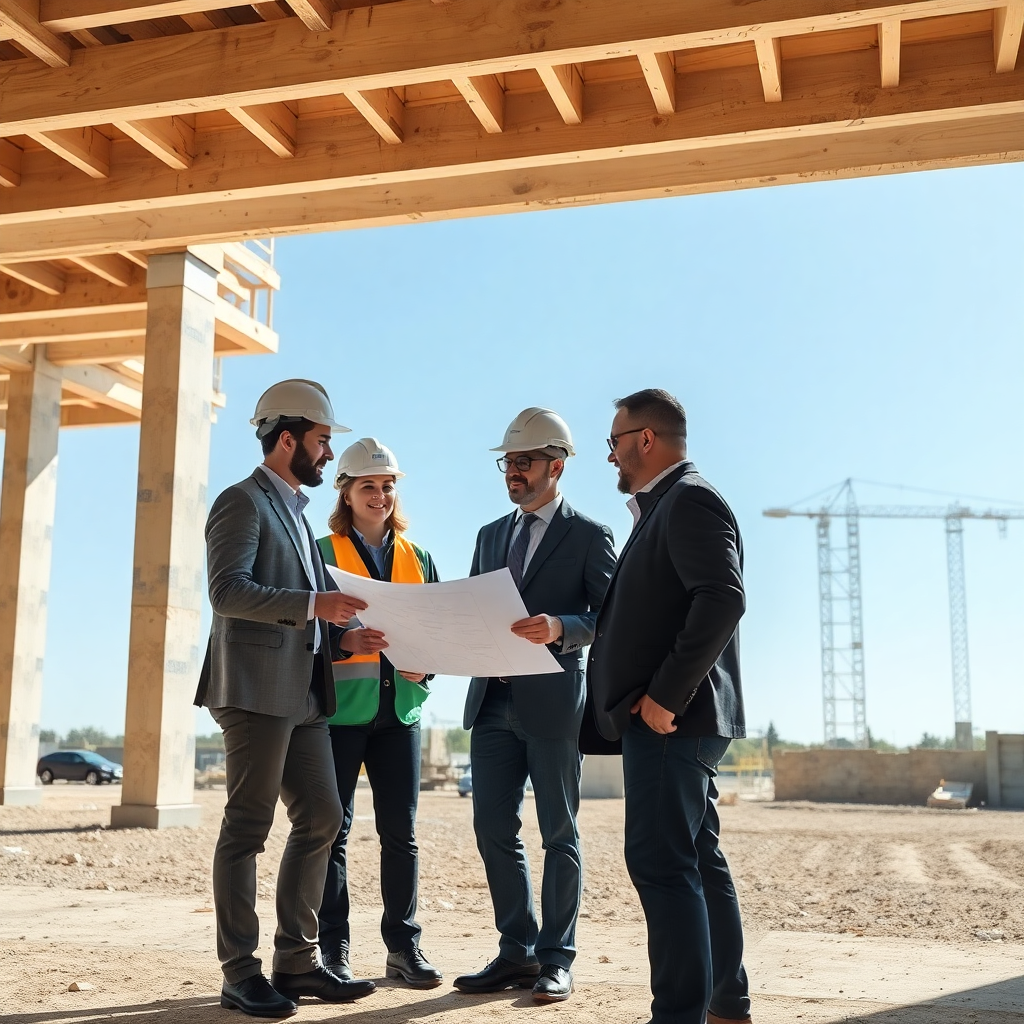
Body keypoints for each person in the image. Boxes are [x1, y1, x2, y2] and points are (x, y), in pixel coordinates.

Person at [195, 379, 378, 1017]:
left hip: (303, 695)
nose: (328, 453)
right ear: (288, 439)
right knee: (247, 827)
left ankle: (297, 963)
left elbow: (306, 614)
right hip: (254, 691)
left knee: (324, 815)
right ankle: (239, 972)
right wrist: (315, 604)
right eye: (323, 440)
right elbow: (227, 592)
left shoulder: (297, 511)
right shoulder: (241, 502)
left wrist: (344, 637)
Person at [587, 389, 750, 1024]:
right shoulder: (667, 505)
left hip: (671, 721)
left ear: (646, 439)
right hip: (681, 720)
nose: (611, 455)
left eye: (614, 442)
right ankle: (726, 1004)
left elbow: (722, 599)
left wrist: (663, 696)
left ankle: (679, 1014)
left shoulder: (688, 500)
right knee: (698, 860)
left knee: (662, 864)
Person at [454, 408, 616, 1003]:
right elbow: (473, 611)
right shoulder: (489, 535)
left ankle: (557, 958)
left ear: (557, 465)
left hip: (552, 705)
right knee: (494, 829)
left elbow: (612, 616)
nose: (513, 472)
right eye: (508, 462)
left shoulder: (590, 535)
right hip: (492, 702)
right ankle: (516, 951)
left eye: (523, 461)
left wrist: (562, 627)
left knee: (558, 833)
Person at [315, 438, 443, 989]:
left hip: (400, 716)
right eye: (369, 485)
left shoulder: (420, 558)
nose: (380, 495)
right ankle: (332, 951)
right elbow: (298, 632)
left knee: (401, 835)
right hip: (339, 716)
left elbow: (439, 634)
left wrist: (426, 669)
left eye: (388, 485)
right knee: (331, 835)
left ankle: (403, 947)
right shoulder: (319, 553)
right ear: (345, 492)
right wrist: (344, 643)